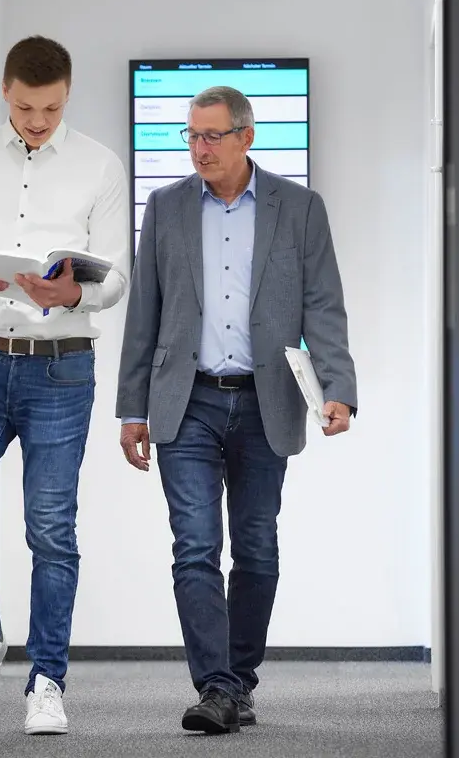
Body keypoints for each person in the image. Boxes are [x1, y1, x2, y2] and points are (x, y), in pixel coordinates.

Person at [114, 85, 358, 734]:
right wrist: (130, 409)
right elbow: (145, 315)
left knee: (256, 548)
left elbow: (323, 305)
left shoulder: (299, 209)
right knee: (194, 547)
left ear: (246, 137)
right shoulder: (164, 209)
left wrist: (338, 388)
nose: (199, 148)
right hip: (184, 400)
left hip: (264, 401)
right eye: (191, 136)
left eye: (212, 136)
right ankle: (216, 686)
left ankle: (239, 683)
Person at [0, 35, 130, 737]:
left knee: (50, 530)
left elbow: (118, 277)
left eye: (50, 107)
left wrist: (74, 293)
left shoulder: (100, 165)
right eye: (24, 106)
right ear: (2, 93)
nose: (37, 120)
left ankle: (47, 681)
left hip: (60, 367)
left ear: (67, 96)